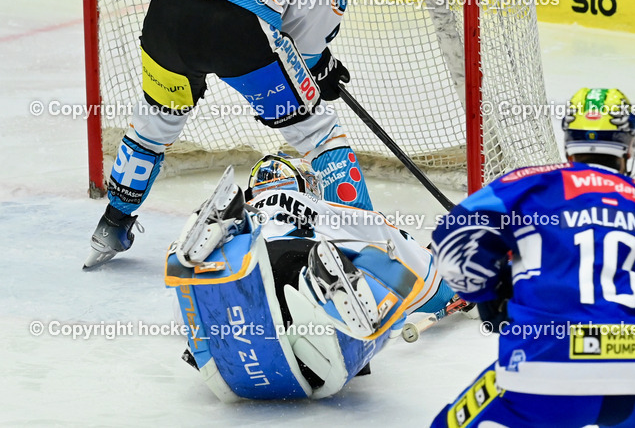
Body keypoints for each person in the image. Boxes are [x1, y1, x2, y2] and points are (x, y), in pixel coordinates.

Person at [85, 0, 385, 268]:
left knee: (155, 122)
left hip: (168, 6)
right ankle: (368, 249)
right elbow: (302, 46)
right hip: (238, 25)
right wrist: (320, 72)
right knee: (318, 131)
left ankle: (111, 225)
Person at [429, 88, 635, 428]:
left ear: (569, 142)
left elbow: (451, 244)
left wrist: (489, 293)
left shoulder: (527, 185)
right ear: (629, 145)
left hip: (545, 368)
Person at [165, 153, 461, 400]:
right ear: (303, 183)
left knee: (206, 280)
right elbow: (389, 237)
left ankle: (212, 234)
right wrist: (452, 287)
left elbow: (181, 318)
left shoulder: (253, 210)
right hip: (301, 268)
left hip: (234, 308)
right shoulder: (321, 206)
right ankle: (334, 296)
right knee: (382, 260)